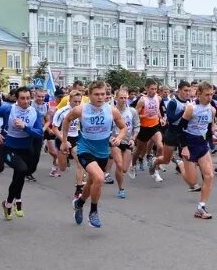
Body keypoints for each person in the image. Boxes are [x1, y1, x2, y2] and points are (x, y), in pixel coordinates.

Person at [61, 81, 128, 228]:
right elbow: (67, 120)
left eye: (103, 94)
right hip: (85, 149)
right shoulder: (81, 110)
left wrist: (119, 138)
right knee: (99, 178)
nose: (100, 97)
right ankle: (93, 212)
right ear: (89, 95)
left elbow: (123, 127)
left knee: (93, 182)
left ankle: (79, 203)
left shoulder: (112, 110)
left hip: (103, 151)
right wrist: (64, 141)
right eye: (96, 94)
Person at [0, 86, 45, 220]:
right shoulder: (8, 109)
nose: (25, 101)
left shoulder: (35, 112)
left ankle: (9, 203)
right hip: (9, 148)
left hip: (26, 149)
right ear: (16, 99)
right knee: (21, 169)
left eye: (28, 98)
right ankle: (16, 201)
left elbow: (39, 133)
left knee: (21, 174)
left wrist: (25, 127)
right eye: (22, 98)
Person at [179, 82, 217, 219]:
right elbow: (181, 128)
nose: (209, 97)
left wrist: (212, 138)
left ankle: (201, 207)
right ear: (199, 94)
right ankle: (180, 164)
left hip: (201, 144)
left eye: (211, 94)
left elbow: (208, 128)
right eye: (206, 95)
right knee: (192, 181)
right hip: (189, 143)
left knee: (209, 176)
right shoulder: (191, 108)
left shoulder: (212, 109)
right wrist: (184, 147)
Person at [112, 88, 140, 199]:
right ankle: (120, 188)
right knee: (119, 165)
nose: (123, 100)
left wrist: (133, 139)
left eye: (125, 98)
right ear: (116, 98)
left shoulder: (132, 111)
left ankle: (121, 180)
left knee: (124, 169)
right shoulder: (112, 111)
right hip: (115, 141)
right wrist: (111, 138)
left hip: (128, 141)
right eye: (121, 98)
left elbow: (137, 126)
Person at [135, 79, 165, 174]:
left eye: (155, 89)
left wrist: (161, 118)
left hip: (155, 126)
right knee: (140, 149)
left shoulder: (158, 98)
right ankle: (136, 162)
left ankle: (155, 166)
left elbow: (157, 110)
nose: (154, 91)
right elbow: (135, 115)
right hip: (144, 127)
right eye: (152, 89)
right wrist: (144, 116)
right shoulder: (142, 100)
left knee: (160, 146)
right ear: (146, 88)